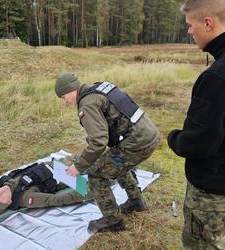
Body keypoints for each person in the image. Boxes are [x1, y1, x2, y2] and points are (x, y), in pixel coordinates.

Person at [54, 73, 160, 233]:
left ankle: (113, 221)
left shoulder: (86, 104)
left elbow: (98, 142)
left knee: (97, 175)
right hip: (149, 135)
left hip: (137, 144)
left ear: (70, 90)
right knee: (114, 162)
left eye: (63, 97)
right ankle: (136, 201)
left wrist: (78, 167)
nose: (66, 102)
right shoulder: (99, 88)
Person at [167, 0, 225, 248]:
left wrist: (174, 138)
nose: (189, 31)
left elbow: (198, 143)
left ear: (208, 23)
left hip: (212, 193)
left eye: (191, 25)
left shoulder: (216, 77)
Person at [0, 160, 90, 215]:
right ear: (9, 202)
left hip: (52, 164)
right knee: (94, 164)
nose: (0, 192)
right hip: (64, 175)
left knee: (88, 155)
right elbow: (57, 200)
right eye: (1, 197)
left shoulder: (5, 182)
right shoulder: (25, 198)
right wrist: (89, 192)